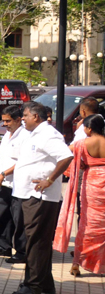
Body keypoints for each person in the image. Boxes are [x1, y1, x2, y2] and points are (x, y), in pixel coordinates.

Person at [10, 102, 72, 294]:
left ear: (36, 116)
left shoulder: (48, 134)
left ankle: (32, 285)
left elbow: (66, 156)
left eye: (26, 115)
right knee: (39, 240)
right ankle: (45, 282)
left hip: (40, 196)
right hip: (30, 194)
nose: (23, 119)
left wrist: (50, 179)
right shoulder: (33, 134)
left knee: (35, 240)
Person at [55, 114, 105, 277]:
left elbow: (66, 153)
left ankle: (76, 263)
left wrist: (82, 162)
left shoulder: (81, 144)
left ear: (89, 128)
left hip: (91, 184)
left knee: (86, 223)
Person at [0, 105, 29, 262]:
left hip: (18, 185)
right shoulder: (7, 135)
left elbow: (23, 161)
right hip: (4, 184)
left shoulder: (26, 136)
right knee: (2, 215)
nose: (4, 124)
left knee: (18, 219)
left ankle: (21, 252)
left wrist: (3, 174)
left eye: (8, 121)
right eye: (3, 121)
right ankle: (3, 246)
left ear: (18, 120)